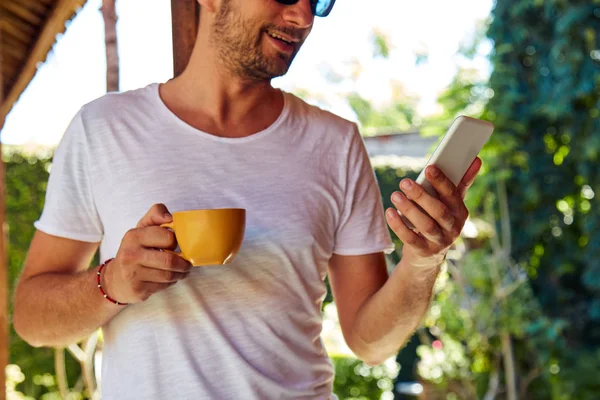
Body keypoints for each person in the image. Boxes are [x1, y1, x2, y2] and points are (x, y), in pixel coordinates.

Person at [13, 0, 482, 399]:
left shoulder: (335, 144)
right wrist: (111, 281)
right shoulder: (103, 129)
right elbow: (32, 318)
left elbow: (369, 342)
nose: (302, 16)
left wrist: (422, 262)